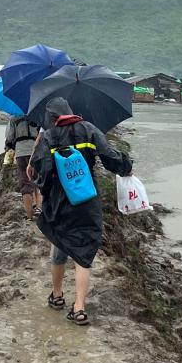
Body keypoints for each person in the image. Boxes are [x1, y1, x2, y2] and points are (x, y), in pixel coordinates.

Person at [27, 96, 132, 326]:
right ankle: (80, 308)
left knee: (59, 249)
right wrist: (126, 168)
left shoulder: (49, 137)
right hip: (86, 201)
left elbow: (41, 172)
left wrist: (37, 176)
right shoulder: (88, 130)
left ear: (51, 117)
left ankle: (57, 296)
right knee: (83, 256)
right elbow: (110, 157)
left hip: (59, 204)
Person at [4, 113, 40, 221]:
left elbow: (9, 137)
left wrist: (8, 148)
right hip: (35, 151)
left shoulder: (14, 118)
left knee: (25, 184)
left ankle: (29, 216)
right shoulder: (37, 116)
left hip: (20, 153)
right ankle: (39, 208)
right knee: (38, 180)